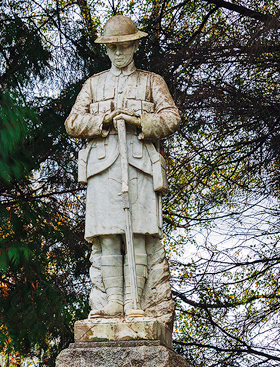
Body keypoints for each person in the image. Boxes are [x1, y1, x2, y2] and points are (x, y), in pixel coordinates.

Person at [65, 15, 180, 318]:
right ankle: (114, 301)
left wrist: (139, 121)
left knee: (138, 234)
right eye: (113, 47)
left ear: (135, 45)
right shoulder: (93, 84)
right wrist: (101, 120)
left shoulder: (152, 81)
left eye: (124, 46)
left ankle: (135, 302)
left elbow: (171, 118)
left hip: (140, 165)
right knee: (108, 236)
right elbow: (72, 122)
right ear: (106, 49)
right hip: (103, 168)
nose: (118, 52)